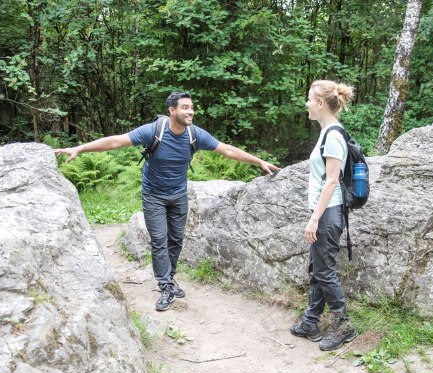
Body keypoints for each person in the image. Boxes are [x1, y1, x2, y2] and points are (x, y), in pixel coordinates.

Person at [54, 91, 279, 311]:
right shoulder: (154, 131)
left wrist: (258, 161)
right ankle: (165, 286)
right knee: (159, 240)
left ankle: (169, 280)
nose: (191, 111)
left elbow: (226, 150)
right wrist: (80, 148)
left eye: (191, 107)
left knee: (176, 239)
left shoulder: (195, 134)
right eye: (185, 107)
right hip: (153, 195)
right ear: (172, 111)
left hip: (179, 194)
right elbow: (115, 142)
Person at [290, 80, 357, 351]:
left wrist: (314, 218)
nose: (306, 104)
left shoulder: (333, 135)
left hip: (328, 213)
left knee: (325, 271)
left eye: (309, 99)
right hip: (326, 211)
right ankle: (311, 321)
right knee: (317, 268)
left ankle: (344, 325)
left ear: (320, 103)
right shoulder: (327, 132)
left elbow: (331, 181)